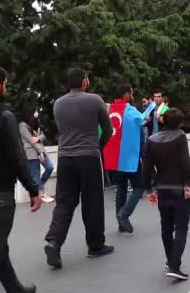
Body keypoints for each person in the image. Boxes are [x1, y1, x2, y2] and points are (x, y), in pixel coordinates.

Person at [44, 68, 114, 269]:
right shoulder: (95, 100)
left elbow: (62, 129)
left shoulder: (58, 103)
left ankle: (54, 242)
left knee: (64, 202)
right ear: (84, 82)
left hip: (65, 157)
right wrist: (98, 146)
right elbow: (107, 129)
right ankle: (95, 246)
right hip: (88, 157)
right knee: (92, 201)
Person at [0, 64, 42, 293]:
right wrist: (33, 189)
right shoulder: (4, 116)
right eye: (5, 84)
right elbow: (17, 158)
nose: (6, 88)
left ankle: (15, 289)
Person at [141, 108, 190, 280]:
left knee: (166, 227)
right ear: (180, 123)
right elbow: (185, 162)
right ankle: (175, 265)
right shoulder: (180, 136)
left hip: (161, 187)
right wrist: (188, 183)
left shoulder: (152, 139)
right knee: (181, 227)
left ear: (163, 120)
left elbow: (146, 167)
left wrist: (149, 189)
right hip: (178, 186)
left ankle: (170, 259)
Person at [102, 83, 144, 235]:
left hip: (113, 159)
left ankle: (120, 222)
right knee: (140, 186)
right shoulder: (132, 111)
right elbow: (142, 122)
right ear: (127, 94)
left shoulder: (109, 110)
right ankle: (124, 214)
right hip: (130, 157)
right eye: (131, 93)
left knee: (121, 189)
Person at [18, 106, 55, 203]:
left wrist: (38, 139)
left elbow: (43, 136)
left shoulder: (36, 123)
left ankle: (41, 187)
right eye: (35, 112)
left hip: (40, 151)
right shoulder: (22, 125)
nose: (36, 114)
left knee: (50, 167)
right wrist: (40, 151)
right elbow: (30, 141)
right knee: (36, 175)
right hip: (31, 152)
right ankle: (40, 195)